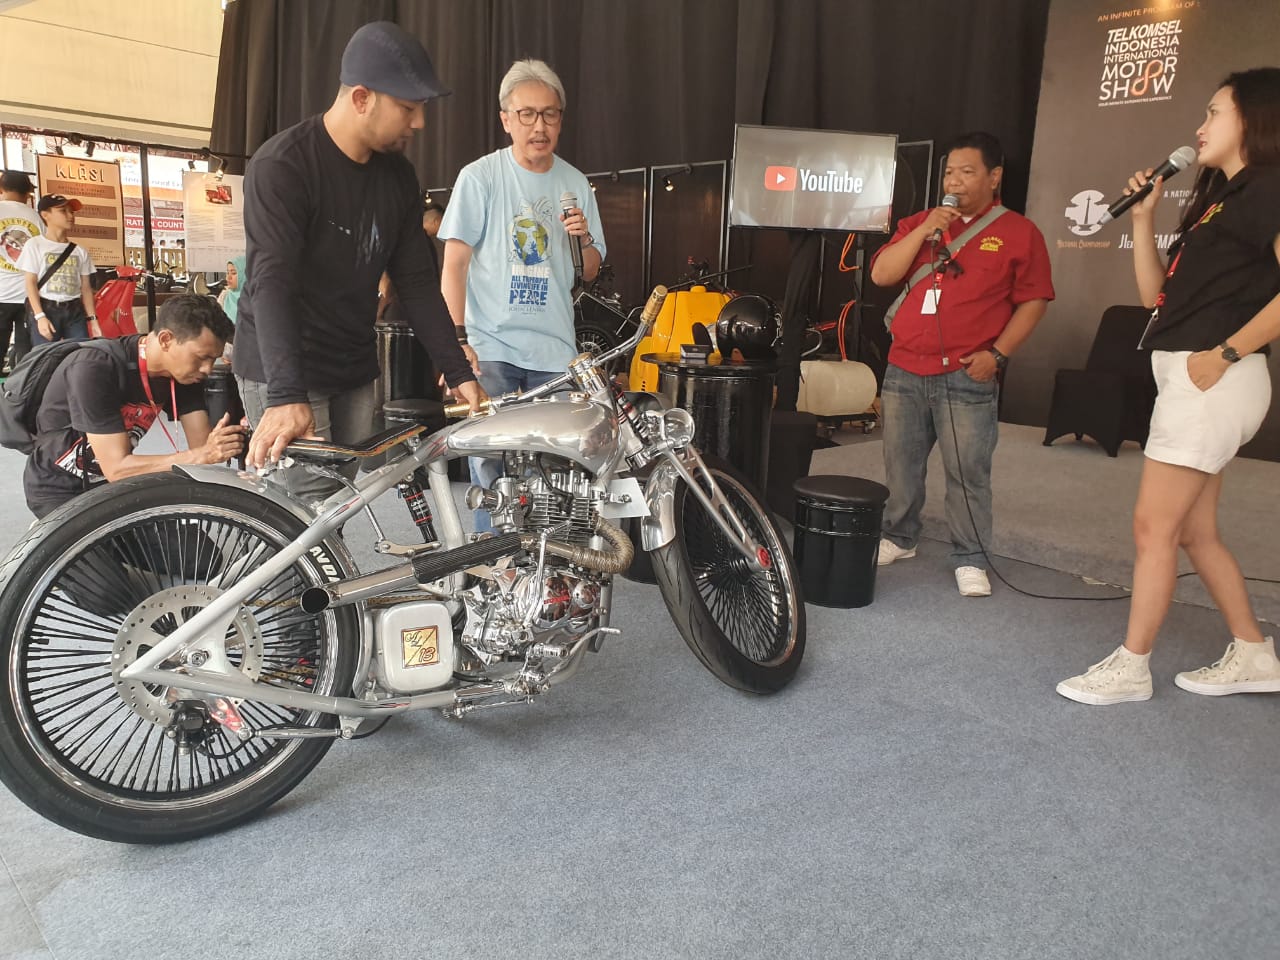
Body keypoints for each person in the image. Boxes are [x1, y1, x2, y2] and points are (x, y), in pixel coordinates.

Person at [1058, 68, 1280, 705]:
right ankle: (1254, 653)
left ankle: (1131, 667)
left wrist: (1228, 353)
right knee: (1193, 532)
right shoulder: (1222, 198)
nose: (1200, 127)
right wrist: (1144, 217)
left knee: (1152, 527)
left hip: (1215, 378)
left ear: (1253, 118)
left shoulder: (1268, 188)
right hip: (1194, 375)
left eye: (1214, 112)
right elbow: (1155, 296)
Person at [233, 20, 485, 503]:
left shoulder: (398, 177)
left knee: (342, 502)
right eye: (408, 108)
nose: (419, 123)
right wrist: (286, 396)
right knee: (304, 514)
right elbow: (272, 283)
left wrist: (457, 370)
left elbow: (416, 282)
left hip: (353, 365)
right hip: (285, 365)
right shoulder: (283, 166)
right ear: (362, 98)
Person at [869, 132, 1054, 597]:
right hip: (904, 368)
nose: (954, 181)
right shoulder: (921, 223)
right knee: (900, 464)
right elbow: (882, 274)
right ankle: (899, 535)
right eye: (950, 172)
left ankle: (970, 556)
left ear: (994, 177)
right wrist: (925, 230)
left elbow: (1034, 301)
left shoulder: (1019, 232)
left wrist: (998, 354)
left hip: (965, 373)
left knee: (967, 472)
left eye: (967, 172)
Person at [438, 58, 606, 529]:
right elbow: (454, 265)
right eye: (527, 114)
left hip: (554, 350)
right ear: (506, 120)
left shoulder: (575, 183)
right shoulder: (480, 176)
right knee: (490, 468)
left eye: (549, 114)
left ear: (561, 120)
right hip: (490, 345)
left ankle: (545, 558)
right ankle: (494, 559)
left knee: (553, 471)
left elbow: (590, 270)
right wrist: (456, 341)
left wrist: (583, 240)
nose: (539, 126)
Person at [24, 294, 243, 519]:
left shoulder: (184, 375)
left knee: (189, 542)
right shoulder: (94, 367)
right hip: (58, 488)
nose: (207, 369)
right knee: (110, 543)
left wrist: (225, 441)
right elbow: (117, 468)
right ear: (166, 339)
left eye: (213, 359)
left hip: (111, 487)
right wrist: (199, 455)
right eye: (201, 357)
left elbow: (203, 447)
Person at [18, 195, 100, 346]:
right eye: (63, 211)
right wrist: (40, 316)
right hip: (46, 307)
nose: (70, 216)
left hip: (75, 310)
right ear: (45, 215)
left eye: (71, 212)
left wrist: (93, 320)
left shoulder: (79, 251)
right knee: (46, 355)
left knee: (80, 353)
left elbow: (86, 289)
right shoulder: (35, 245)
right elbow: (30, 283)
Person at [0, 170, 40, 370]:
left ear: (1, 188)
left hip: (1, 294)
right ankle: (23, 387)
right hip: (29, 296)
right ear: (27, 192)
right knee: (26, 354)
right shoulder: (37, 218)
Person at [217, 256, 244, 323]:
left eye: (233, 273)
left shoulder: (255, 298)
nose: (228, 277)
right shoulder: (224, 296)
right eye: (227, 273)